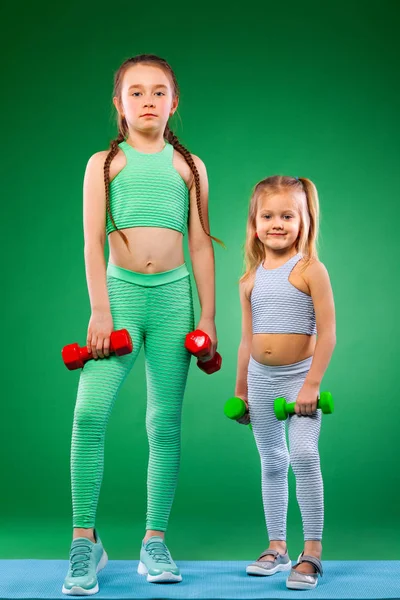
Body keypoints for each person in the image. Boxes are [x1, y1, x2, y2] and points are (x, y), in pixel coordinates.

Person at [62, 54, 222, 596]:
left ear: (174, 102)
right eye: (136, 92)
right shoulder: (102, 165)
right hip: (121, 298)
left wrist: (207, 316)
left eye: (159, 92)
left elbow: (200, 244)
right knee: (88, 414)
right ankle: (85, 541)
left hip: (175, 299)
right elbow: (91, 242)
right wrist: (101, 309)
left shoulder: (190, 166)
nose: (147, 100)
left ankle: (155, 540)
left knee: (164, 425)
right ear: (119, 105)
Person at [234, 175, 336, 590]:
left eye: (287, 216)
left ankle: (311, 552)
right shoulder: (249, 279)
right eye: (268, 216)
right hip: (261, 380)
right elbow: (246, 340)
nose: (277, 223)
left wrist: (312, 384)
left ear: (305, 220)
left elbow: (327, 333)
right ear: (254, 223)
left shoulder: (311, 269)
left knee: (306, 456)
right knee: (273, 462)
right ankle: (277, 546)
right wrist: (240, 390)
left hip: (300, 379)